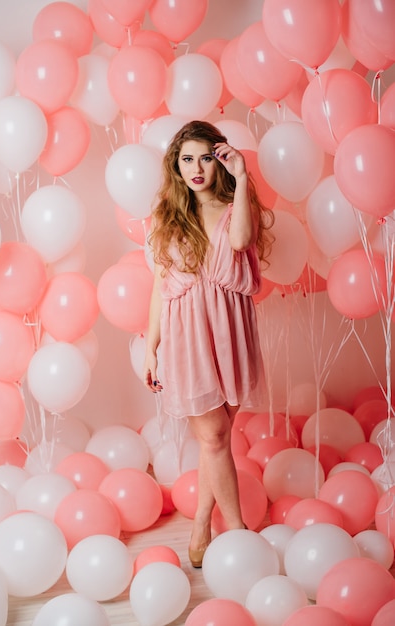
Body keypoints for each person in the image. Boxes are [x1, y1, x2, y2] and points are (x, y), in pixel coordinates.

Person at [143, 120, 274, 568]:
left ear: (219, 162)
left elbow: (239, 240)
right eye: (186, 159)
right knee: (215, 436)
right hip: (187, 340)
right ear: (176, 166)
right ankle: (237, 534)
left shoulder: (234, 206)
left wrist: (241, 176)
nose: (196, 168)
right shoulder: (167, 217)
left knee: (214, 440)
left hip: (230, 334)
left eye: (206, 157)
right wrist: (150, 348)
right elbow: (161, 286)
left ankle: (201, 518)